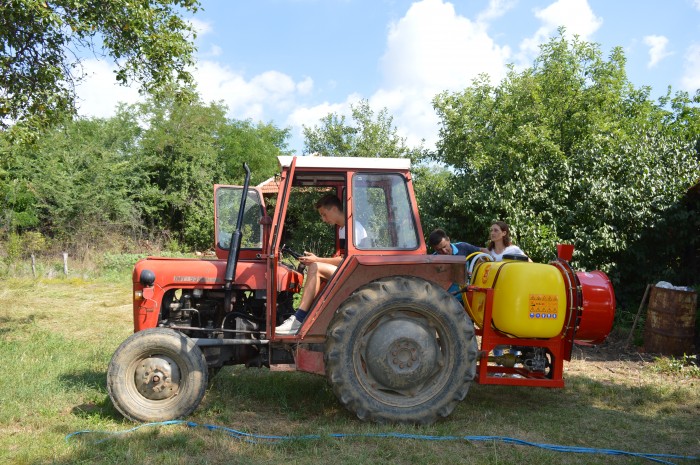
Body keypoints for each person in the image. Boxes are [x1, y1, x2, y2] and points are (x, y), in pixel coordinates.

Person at [276, 194, 367, 335]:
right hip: (347, 272)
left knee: (316, 267)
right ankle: (303, 315)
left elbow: (347, 260)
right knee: (314, 265)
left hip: (356, 275)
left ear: (335, 209)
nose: (324, 219)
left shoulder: (355, 228)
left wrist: (317, 259)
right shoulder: (343, 229)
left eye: (324, 215)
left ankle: (299, 319)